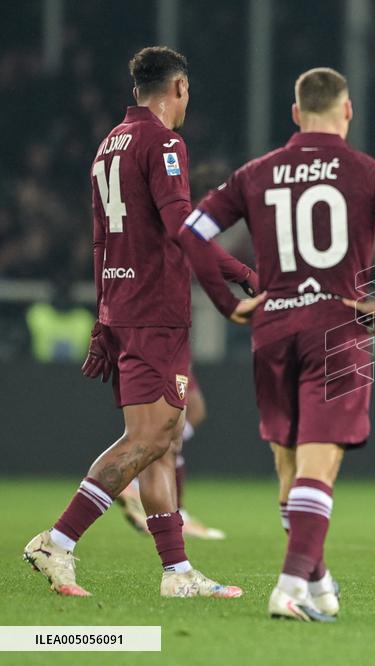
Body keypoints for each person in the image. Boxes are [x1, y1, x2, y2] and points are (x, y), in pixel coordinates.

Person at [179, 67, 375, 621]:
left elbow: (192, 232)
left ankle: (317, 585)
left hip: (273, 328)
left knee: (290, 471)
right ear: (347, 112)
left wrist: (227, 302)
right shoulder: (371, 173)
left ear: (295, 113)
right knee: (321, 466)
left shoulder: (255, 173)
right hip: (336, 327)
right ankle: (289, 587)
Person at [22, 46, 263, 599]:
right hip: (155, 309)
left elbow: (102, 238)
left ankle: (177, 573)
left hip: (125, 305)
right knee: (152, 435)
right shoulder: (164, 142)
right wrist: (240, 273)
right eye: (186, 93)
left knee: (162, 438)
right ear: (178, 88)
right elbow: (182, 224)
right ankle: (58, 540)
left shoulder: (109, 144)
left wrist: (105, 315)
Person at [114, 163, 247, 540]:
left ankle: (161, 500)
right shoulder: (182, 222)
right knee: (167, 426)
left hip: (160, 320)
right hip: (160, 323)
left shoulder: (169, 217)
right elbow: (201, 256)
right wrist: (243, 279)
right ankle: (137, 483)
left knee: (183, 418)